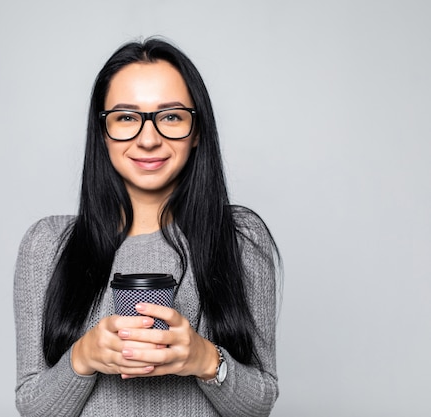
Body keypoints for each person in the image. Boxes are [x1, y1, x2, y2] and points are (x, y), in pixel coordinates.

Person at [14, 38, 281, 417]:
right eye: (126, 117)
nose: (149, 138)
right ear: (102, 132)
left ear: (197, 130)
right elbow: (32, 408)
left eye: (170, 116)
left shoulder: (239, 238)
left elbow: (259, 405)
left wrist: (204, 358)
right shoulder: (48, 245)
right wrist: (83, 357)